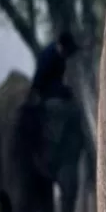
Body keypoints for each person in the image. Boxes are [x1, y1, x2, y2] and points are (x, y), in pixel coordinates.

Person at [22, 31, 80, 170]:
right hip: (45, 93)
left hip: (54, 90)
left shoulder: (60, 57)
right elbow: (39, 81)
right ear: (63, 47)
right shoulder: (48, 56)